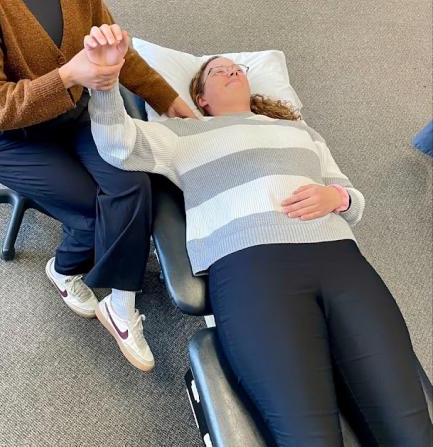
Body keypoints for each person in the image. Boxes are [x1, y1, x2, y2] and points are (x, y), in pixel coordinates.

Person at [84, 30, 433, 446]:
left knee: (413, 430)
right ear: (202, 98)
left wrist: (336, 196)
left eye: (237, 67)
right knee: (309, 437)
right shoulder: (183, 135)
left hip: (342, 264)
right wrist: (104, 83)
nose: (231, 70)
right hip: (252, 271)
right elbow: (117, 145)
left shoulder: (301, 131)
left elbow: (353, 201)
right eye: (217, 71)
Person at [0, 0, 196, 372]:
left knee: (133, 181)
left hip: (71, 110)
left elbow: (110, 45)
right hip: (6, 136)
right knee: (94, 213)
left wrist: (168, 99)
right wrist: (69, 74)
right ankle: (63, 270)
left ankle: (120, 308)